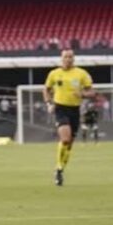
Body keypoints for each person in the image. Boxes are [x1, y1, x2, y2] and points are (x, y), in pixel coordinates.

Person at [43, 49, 95, 186]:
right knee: (65, 139)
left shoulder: (81, 73)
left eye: (70, 57)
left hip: (75, 110)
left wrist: (83, 94)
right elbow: (46, 89)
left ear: (74, 58)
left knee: (70, 144)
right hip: (60, 108)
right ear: (61, 58)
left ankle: (60, 169)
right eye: (65, 57)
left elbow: (92, 91)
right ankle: (59, 169)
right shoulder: (54, 74)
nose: (68, 59)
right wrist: (49, 103)